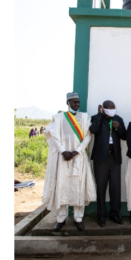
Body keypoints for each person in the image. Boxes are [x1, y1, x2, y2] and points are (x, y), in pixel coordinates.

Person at [42, 92, 96, 231]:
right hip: (63, 158)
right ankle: (60, 219)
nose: (77, 105)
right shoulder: (59, 117)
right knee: (62, 187)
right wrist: (63, 151)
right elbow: (53, 136)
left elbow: (88, 136)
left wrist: (77, 151)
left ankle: (78, 218)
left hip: (78, 158)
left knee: (78, 188)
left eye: (78, 102)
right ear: (68, 103)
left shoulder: (85, 117)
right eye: (74, 102)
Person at [89, 99, 125, 227]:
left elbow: (124, 136)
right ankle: (101, 216)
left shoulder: (118, 119)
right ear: (103, 108)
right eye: (108, 107)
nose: (111, 108)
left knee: (115, 188)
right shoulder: (96, 118)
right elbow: (93, 130)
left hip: (114, 158)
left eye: (113, 106)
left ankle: (114, 214)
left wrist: (118, 127)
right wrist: (99, 115)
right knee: (101, 188)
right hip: (101, 159)